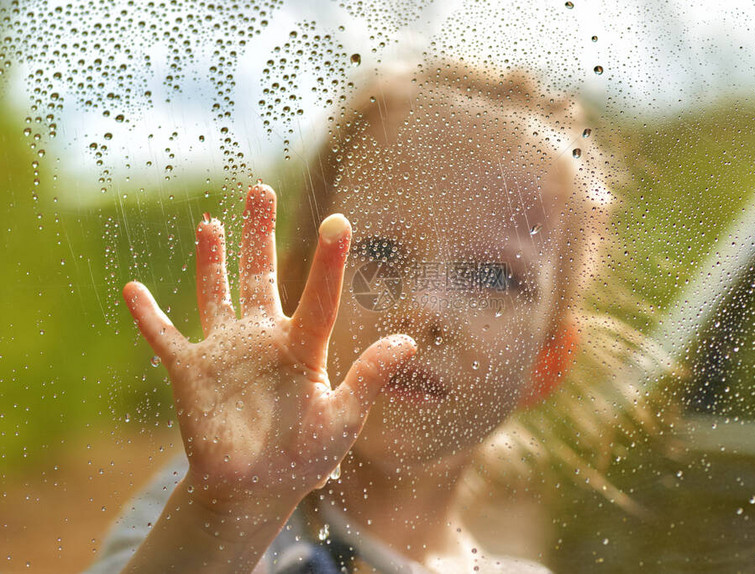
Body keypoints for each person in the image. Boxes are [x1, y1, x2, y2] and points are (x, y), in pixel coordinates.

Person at [87, 61, 611, 573]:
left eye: (494, 278)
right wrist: (224, 519)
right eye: (380, 252)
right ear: (290, 297)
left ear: (548, 358)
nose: (422, 309)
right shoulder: (216, 510)